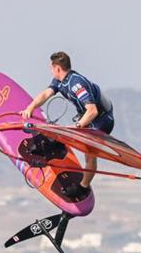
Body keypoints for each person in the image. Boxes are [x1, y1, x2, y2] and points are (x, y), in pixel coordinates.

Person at [20, 51, 114, 198]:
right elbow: (46, 94)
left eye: (51, 68)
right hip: (87, 117)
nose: (50, 71)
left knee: (89, 155)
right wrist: (30, 108)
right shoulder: (60, 80)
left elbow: (93, 111)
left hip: (102, 121)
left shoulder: (76, 84)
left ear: (57, 68)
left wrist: (77, 127)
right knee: (65, 132)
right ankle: (54, 145)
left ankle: (83, 188)